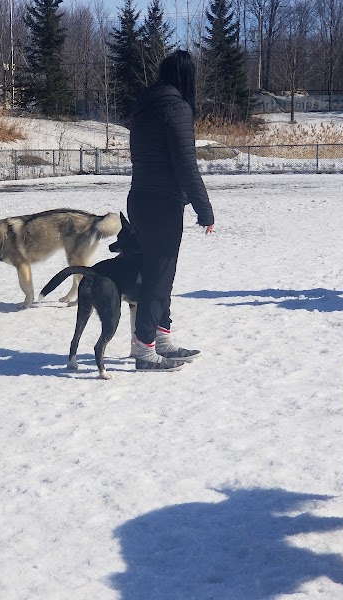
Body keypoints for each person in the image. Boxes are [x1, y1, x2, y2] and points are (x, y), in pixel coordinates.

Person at [126, 50, 215, 372]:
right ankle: (145, 349)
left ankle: (161, 340)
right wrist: (204, 209)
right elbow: (185, 164)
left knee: (161, 273)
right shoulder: (176, 108)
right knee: (158, 276)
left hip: (140, 199)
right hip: (162, 203)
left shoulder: (144, 106)